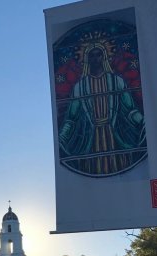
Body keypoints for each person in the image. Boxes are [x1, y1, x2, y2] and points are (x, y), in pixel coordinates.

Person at [58, 42, 146, 176]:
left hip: (115, 136)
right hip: (90, 139)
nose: (95, 58)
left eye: (98, 54)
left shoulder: (117, 81)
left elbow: (130, 110)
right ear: (87, 59)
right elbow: (71, 118)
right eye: (92, 55)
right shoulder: (80, 87)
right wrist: (62, 137)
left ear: (104, 56)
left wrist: (143, 122)